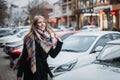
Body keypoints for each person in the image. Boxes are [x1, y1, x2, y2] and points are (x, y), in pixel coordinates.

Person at [16, 15, 63, 80]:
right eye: (39, 22)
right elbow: (23, 57)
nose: (42, 24)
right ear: (35, 25)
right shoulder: (29, 38)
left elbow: (53, 54)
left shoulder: (47, 38)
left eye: (43, 22)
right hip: (30, 71)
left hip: (43, 71)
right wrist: (19, 74)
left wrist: (59, 42)